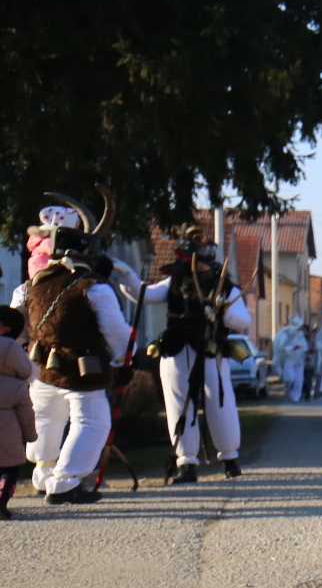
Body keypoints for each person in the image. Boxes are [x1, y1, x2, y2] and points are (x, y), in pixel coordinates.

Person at [15, 198, 134, 503]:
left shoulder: (31, 286)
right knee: (93, 422)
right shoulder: (93, 286)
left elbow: (18, 328)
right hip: (85, 369)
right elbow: (117, 332)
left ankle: (43, 474)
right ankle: (65, 481)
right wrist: (122, 362)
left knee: (46, 418)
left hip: (41, 368)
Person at [140, 226, 250, 482]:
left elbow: (243, 320)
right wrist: (124, 277)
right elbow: (143, 295)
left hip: (211, 349)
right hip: (177, 348)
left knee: (220, 402)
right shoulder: (174, 283)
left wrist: (224, 312)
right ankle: (186, 462)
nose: (207, 262)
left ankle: (230, 458)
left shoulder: (225, 286)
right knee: (178, 403)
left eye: (208, 256)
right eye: (201, 257)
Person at [0, 306, 37, 519]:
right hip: (9, 437)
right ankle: (2, 499)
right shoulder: (17, 387)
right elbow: (26, 413)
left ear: (5, 328)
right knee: (10, 469)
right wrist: (30, 436)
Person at [273, 315, 309, 401]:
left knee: (299, 380)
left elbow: (304, 346)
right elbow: (282, 347)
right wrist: (293, 348)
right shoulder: (286, 334)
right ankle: (288, 392)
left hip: (300, 360)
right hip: (289, 359)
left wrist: (306, 351)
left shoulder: (300, 335)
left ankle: (296, 396)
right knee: (289, 378)